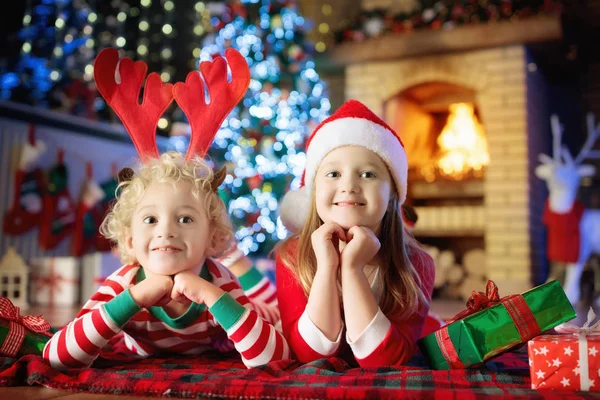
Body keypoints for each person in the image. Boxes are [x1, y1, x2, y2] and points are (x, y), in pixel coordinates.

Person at [43, 47, 289, 369]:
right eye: (149, 219)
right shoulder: (125, 282)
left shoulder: (218, 279)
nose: (166, 230)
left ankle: (249, 272)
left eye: (185, 218)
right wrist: (135, 299)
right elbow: (56, 357)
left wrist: (210, 295)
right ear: (130, 240)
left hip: (250, 316)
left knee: (276, 315)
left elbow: (276, 357)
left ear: (212, 237)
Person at [276, 99, 435, 367]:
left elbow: (385, 362)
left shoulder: (417, 265)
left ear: (393, 193)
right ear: (313, 192)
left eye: (368, 174)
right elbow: (309, 357)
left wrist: (352, 270)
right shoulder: (292, 256)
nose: (349, 185)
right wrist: (327, 267)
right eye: (334, 173)